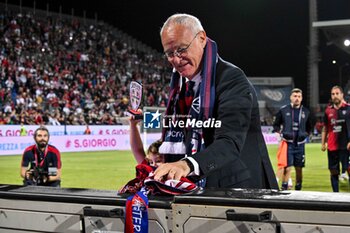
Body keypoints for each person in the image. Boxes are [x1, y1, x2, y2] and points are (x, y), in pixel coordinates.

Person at [153, 13, 278, 189]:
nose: (176, 59)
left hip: (238, 189)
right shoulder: (180, 86)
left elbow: (230, 141)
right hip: (199, 189)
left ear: (202, 39)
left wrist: (186, 165)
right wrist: (167, 159)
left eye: (182, 49)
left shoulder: (232, 79)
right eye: (169, 53)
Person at [273, 88, 312, 190]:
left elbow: (310, 127)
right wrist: (280, 134)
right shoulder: (283, 110)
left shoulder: (306, 112)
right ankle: (284, 188)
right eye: (295, 96)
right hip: (288, 143)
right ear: (290, 97)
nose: (297, 98)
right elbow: (276, 125)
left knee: (299, 169)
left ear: (302, 98)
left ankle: (298, 188)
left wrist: (305, 134)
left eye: (299, 96)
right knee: (287, 167)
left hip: (300, 144)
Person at [321, 86, 350, 192]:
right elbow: (325, 127)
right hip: (332, 146)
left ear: (342, 95)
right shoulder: (328, 110)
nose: (335, 96)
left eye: (337, 93)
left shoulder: (348, 108)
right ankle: (335, 194)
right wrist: (323, 143)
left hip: (346, 146)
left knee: (348, 169)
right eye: (333, 94)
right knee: (333, 171)